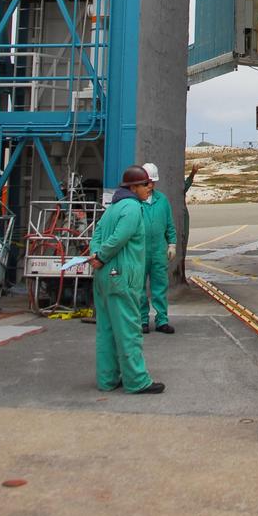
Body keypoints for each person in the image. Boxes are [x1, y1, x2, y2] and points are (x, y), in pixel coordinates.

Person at [89, 165, 164, 394]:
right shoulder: (132, 208)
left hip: (103, 278)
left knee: (107, 330)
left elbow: (98, 235)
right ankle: (137, 380)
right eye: (145, 185)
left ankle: (107, 379)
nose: (149, 188)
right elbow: (120, 237)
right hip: (122, 278)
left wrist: (96, 255)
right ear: (133, 187)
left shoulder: (112, 208)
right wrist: (102, 256)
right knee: (129, 329)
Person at [140, 161, 177, 335]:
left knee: (160, 286)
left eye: (153, 182)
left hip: (158, 250)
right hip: (139, 251)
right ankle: (142, 320)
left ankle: (162, 319)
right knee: (139, 287)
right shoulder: (135, 201)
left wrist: (172, 244)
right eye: (148, 182)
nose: (151, 185)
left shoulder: (162, 200)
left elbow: (169, 224)